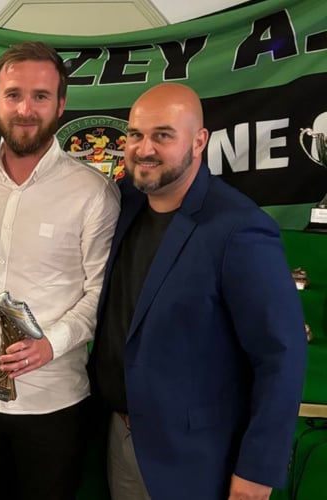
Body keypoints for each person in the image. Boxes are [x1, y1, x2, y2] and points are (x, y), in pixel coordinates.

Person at [88, 82, 307, 500]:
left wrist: (257, 471)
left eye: (163, 135)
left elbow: (282, 353)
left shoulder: (239, 227)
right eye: (135, 135)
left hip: (195, 458)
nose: (144, 148)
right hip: (120, 438)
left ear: (199, 141)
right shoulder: (126, 202)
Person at [0, 41, 120, 500]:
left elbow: (101, 294)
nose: (26, 109)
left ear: (61, 104)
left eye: (40, 96)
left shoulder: (92, 193)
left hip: (53, 403)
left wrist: (49, 346)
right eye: (13, 95)